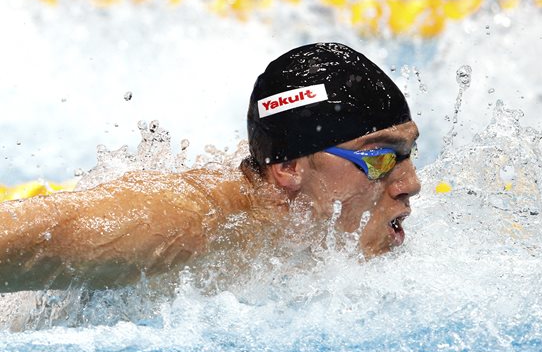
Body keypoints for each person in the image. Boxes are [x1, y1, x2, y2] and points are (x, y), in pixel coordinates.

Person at [0, 42, 420, 292]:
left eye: (407, 154)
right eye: (379, 158)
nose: (411, 183)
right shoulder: (175, 225)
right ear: (289, 167)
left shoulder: (296, 234)